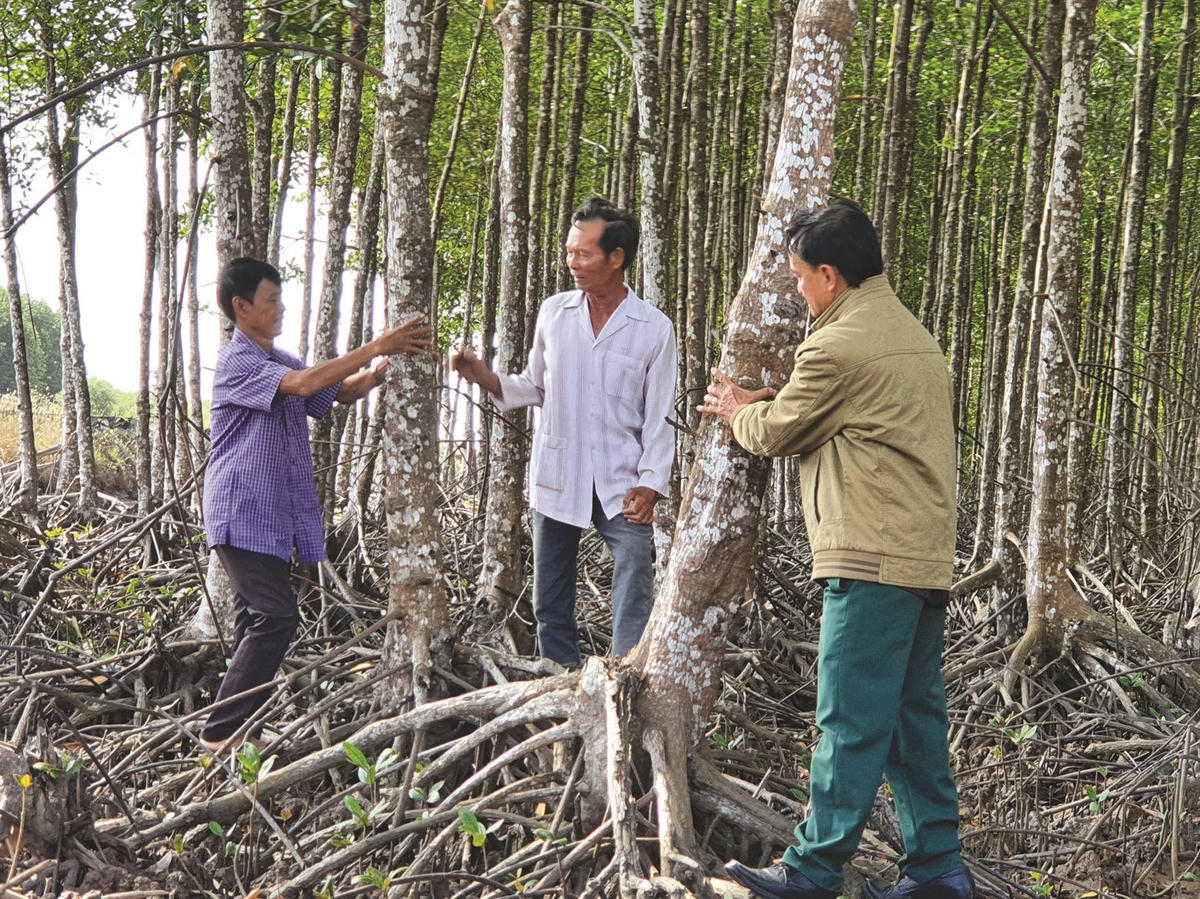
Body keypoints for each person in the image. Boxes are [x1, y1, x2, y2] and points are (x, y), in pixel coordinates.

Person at [698, 202, 973, 899]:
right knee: (912, 718)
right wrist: (774, 402)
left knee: (847, 718)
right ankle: (938, 868)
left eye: (799, 278)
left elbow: (777, 431)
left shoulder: (838, 345)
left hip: (871, 557)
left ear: (829, 275)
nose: (797, 291)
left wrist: (738, 411)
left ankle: (813, 871)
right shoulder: (909, 333)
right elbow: (845, 414)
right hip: (922, 556)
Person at [199, 257, 434, 753]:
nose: (281, 308)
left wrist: (379, 371)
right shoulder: (238, 360)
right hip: (240, 509)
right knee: (276, 617)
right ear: (242, 308)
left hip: (268, 517)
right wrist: (377, 344)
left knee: (253, 621)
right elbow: (306, 385)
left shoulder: (279, 360)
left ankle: (242, 734)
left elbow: (337, 393)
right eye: (271, 300)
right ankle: (220, 734)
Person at [451, 198, 676, 668]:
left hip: (622, 479)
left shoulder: (654, 328)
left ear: (616, 258)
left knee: (635, 571)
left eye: (583, 253)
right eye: (570, 251)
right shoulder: (554, 313)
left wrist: (652, 484)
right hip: (559, 472)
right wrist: (482, 376)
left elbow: (659, 415)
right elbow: (534, 386)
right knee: (550, 597)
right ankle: (560, 677)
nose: (571, 262)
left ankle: (625, 673)